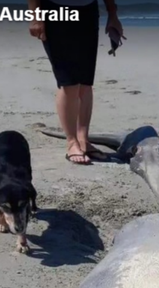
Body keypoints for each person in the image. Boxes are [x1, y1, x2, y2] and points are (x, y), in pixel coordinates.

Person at [29, 0, 123, 165]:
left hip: (88, 11)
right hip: (55, 11)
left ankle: (83, 139)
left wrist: (112, 14)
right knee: (69, 82)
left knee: (85, 83)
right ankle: (72, 142)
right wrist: (36, 17)